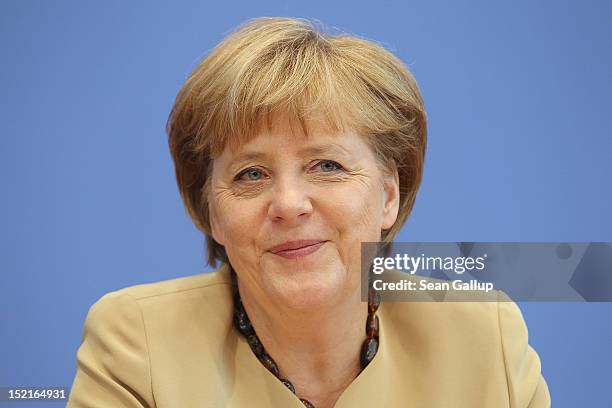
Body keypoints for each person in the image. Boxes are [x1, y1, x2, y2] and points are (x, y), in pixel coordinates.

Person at [67, 17, 550, 407]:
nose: (290, 205)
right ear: (211, 210)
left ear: (387, 196)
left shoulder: (484, 334)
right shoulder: (137, 342)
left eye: (327, 165)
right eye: (250, 174)